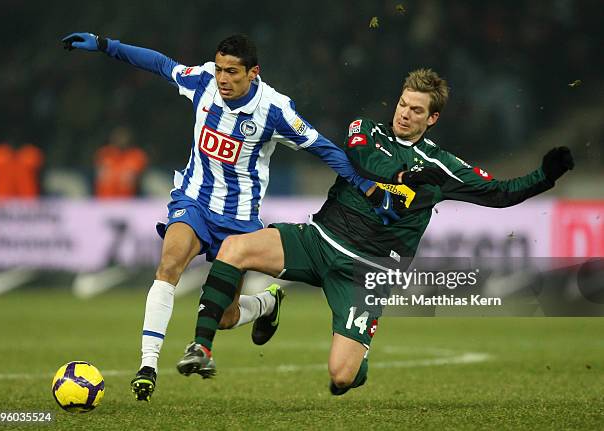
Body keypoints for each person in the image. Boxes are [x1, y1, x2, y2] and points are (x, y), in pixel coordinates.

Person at [178, 68, 574, 395]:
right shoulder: (365, 129)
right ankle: (203, 346)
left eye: (416, 110)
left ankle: (355, 358)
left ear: (431, 118)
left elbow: (499, 194)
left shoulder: (442, 166)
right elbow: (364, 161)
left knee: (341, 377)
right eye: (403, 103)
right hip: (318, 239)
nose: (404, 113)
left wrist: (545, 177)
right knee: (234, 248)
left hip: (368, 271)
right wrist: (404, 175)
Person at [61, 32, 401, 401]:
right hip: (193, 202)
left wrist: (364, 184)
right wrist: (104, 44)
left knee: (225, 317)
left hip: (239, 223)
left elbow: (322, 147)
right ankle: (147, 367)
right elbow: (160, 64)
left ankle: (267, 304)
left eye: (232, 72)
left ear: (253, 72)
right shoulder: (204, 81)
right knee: (169, 265)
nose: (223, 79)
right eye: (220, 69)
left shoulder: (275, 109)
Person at [94, 126, 148, 198]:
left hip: (128, 201)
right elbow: (101, 177)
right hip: (104, 200)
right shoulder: (104, 153)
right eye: (118, 136)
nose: (121, 139)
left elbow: (131, 181)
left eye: (123, 137)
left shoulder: (136, 155)